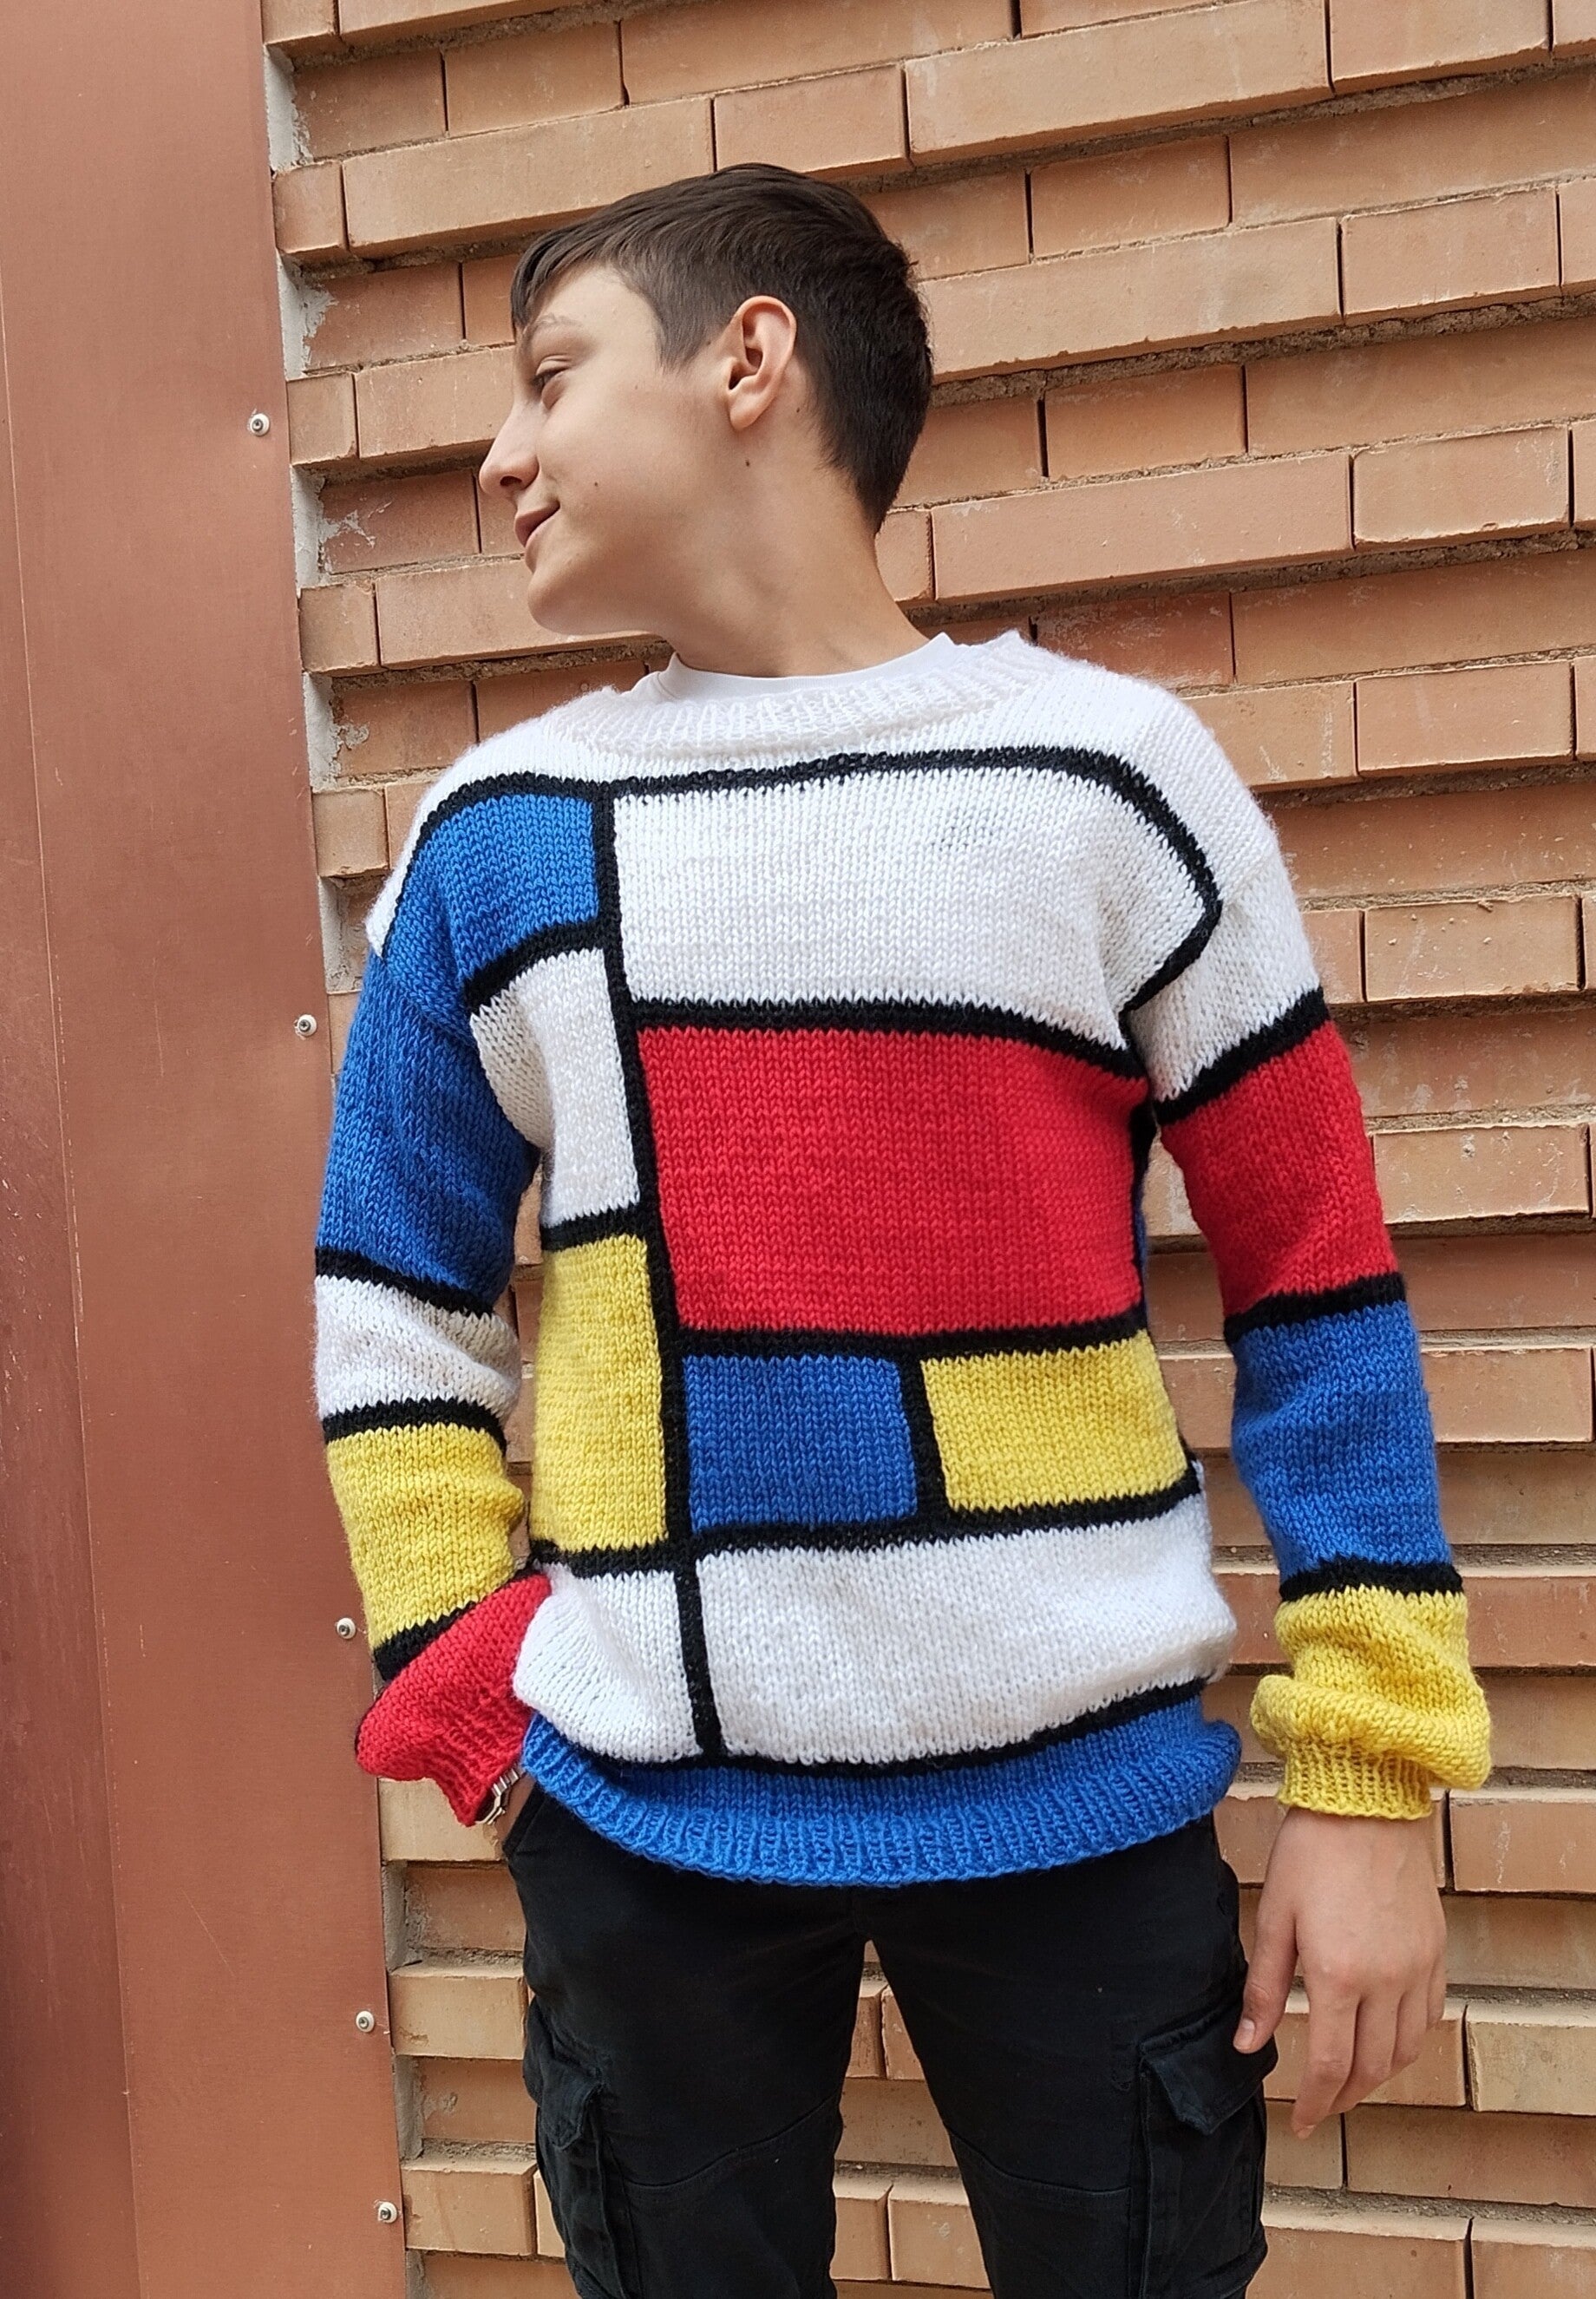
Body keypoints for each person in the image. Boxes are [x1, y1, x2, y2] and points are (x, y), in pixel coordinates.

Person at [311, 160, 1491, 2298]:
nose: (498, 454)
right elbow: (391, 1298)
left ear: (747, 359)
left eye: (550, 377)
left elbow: (1316, 1290)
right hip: (639, 1825)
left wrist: (1367, 1783)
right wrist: (466, 1671)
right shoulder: (496, 841)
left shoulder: (1105, 783)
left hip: (1084, 1804)